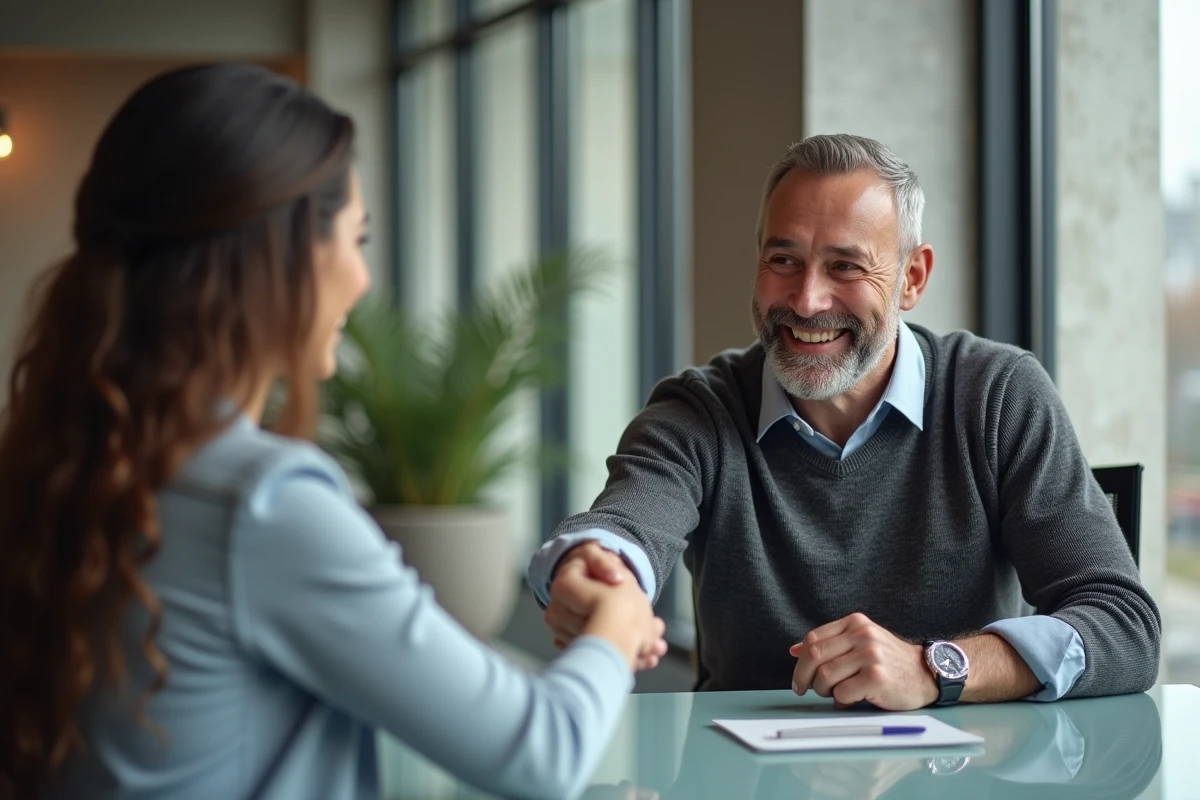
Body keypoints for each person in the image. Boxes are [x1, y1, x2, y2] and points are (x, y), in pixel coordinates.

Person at [0, 64, 664, 800]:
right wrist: (618, 622)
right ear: (279, 257)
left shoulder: (74, 461)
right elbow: (543, 753)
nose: (363, 279)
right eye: (357, 238)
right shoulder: (259, 505)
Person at [531, 133, 1160, 709]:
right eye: (783, 260)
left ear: (911, 278)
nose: (807, 300)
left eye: (846, 266)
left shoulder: (999, 395)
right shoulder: (700, 411)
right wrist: (593, 570)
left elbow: (1123, 627)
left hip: (963, 777)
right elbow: (625, 524)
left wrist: (934, 668)